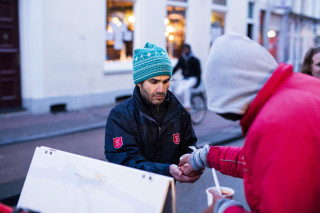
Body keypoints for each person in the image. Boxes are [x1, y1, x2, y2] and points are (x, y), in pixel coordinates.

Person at [179, 32, 320, 212]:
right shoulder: (297, 88)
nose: (240, 122)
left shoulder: (277, 122)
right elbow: (259, 161)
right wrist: (204, 157)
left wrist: (223, 208)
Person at [105, 42, 201, 183]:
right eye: (154, 82)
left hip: (167, 192)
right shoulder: (121, 116)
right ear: (139, 82)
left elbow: (189, 144)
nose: (161, 89)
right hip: (130, 193)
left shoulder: (179, 111)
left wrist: (190, 160)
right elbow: (123, 161)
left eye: (166, 81)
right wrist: (166, 170)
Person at [171, 44, 202, 110]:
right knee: (177, 91)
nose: (185, 50)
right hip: (185, 79)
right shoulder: (182, 59)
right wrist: (168, 74)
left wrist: (197, 84)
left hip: (193, 79)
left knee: (186, 88)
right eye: (184, 49)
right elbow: (176, 68)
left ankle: (187, 106)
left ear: (189, 49)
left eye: (187, 49)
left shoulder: (195, 60)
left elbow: (199, 73)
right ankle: (182, 105)